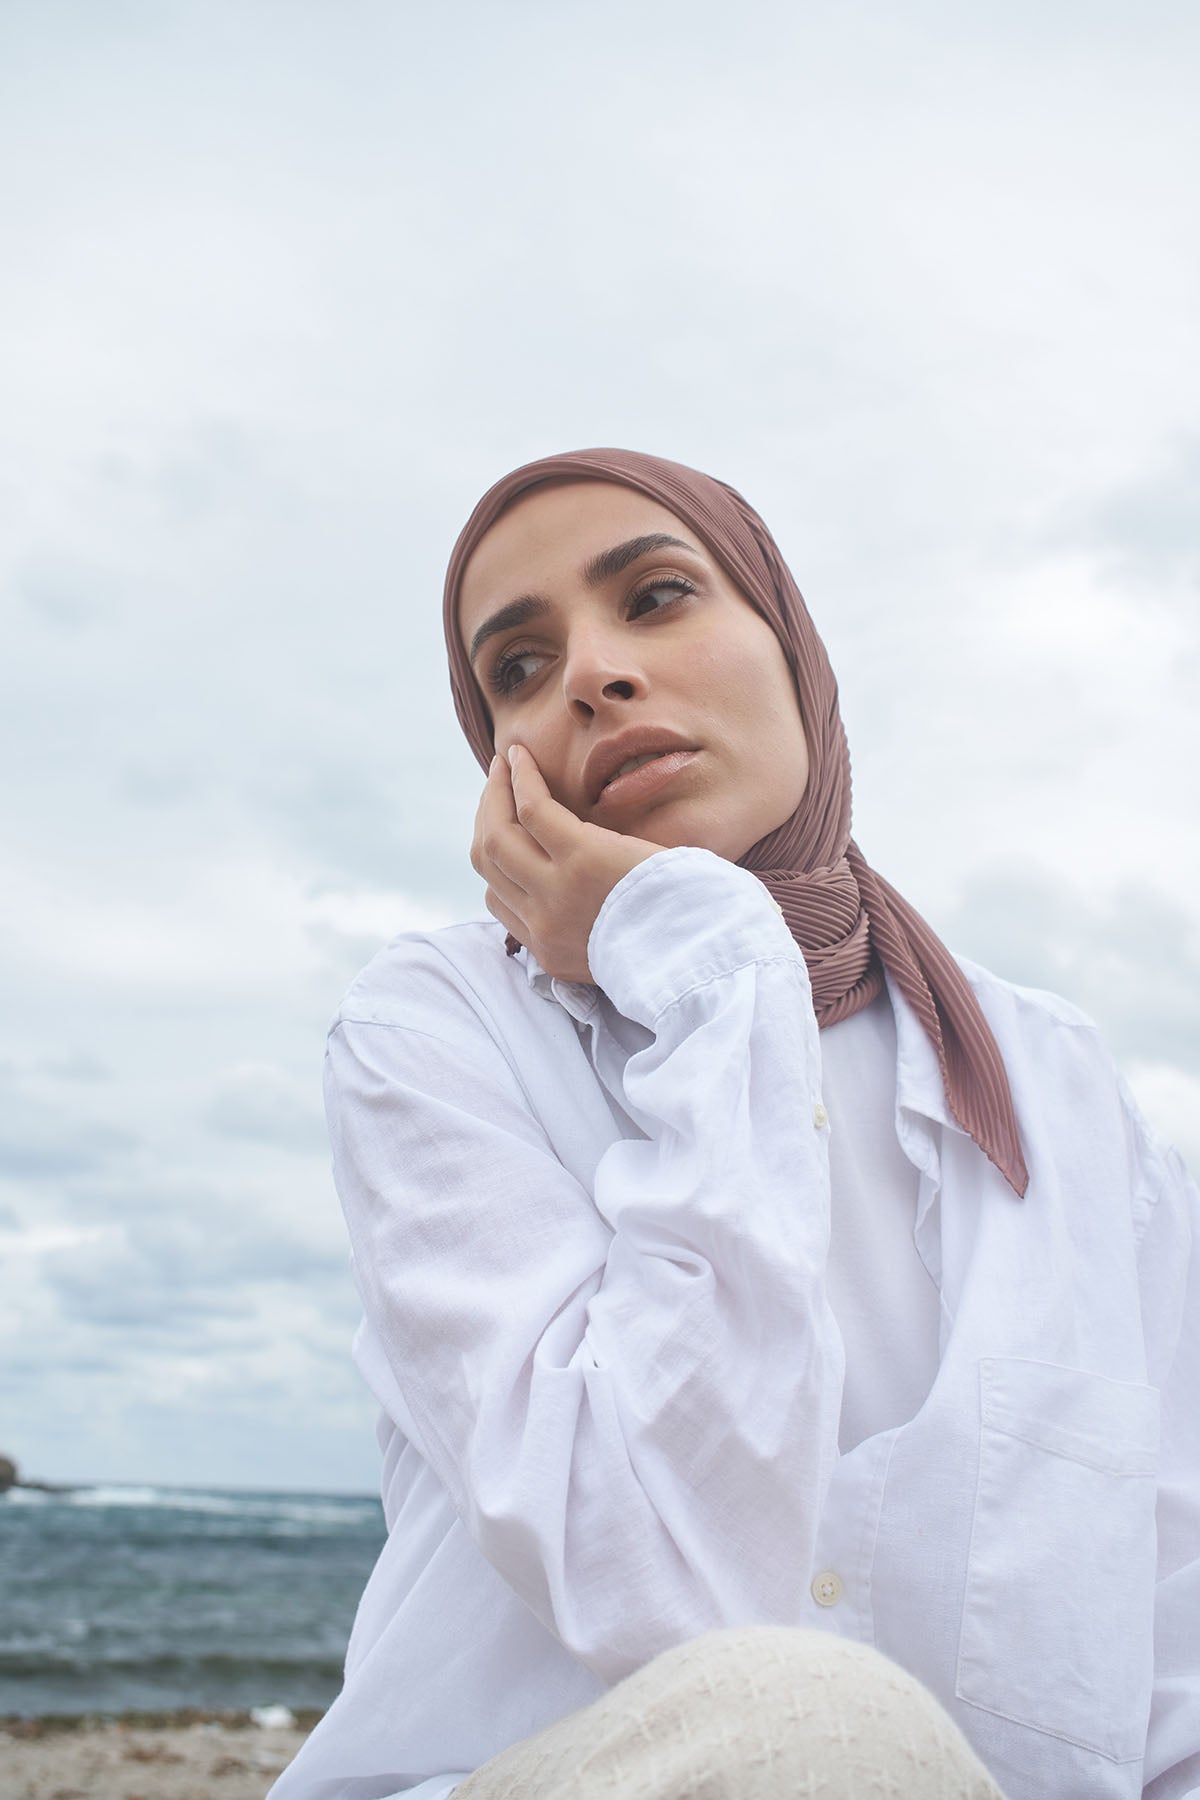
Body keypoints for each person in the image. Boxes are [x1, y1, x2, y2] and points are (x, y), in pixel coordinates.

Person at [268, 450, 1200, 1800]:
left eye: (655, 596)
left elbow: (1172, 1667)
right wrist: (706, 956)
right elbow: (664, 1576)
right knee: (807, 1721)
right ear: (500, 768)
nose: (590, 672)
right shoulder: (437, 1034)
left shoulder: (1056, 1088)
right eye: (518, 669)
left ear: (794, 644)